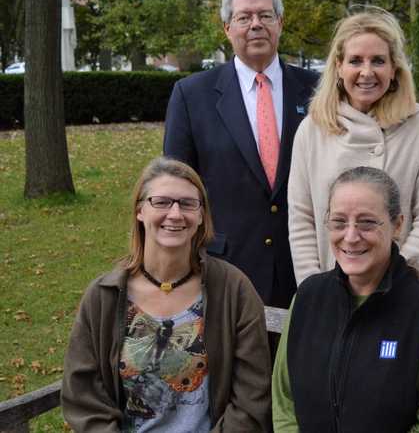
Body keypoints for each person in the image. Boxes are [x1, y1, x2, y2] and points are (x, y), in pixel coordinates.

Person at [61, 157, 271, 432]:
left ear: (200, 216)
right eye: (161, 202)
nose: (175, 214)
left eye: (187, 203)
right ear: (140, 211)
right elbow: (83, 398)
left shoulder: (234, 291)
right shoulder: (104, 297)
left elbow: (251, 398)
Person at [164, 0, 318, 310]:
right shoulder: (192, 95)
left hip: (305, 266)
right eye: (244, 17)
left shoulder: (318, 90)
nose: (256, 25)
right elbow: (176, 186)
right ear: (227, 27)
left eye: (265, 15)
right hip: (224, 268)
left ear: (281, 22)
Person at [273, 166, 419, 432]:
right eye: (339, 222)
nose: (350, 236)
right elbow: (284, 402)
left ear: (397, 224)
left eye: (367, 222)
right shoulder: (307, 299)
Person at [288, 8, 419, 285]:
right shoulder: (312, 130)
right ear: (339, 67)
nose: (366, 72)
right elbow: (301, 219)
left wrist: (396, 283)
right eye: (355, 61)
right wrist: (313, 287)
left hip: (401, 290)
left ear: (394, 68)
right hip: (329, 289)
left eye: (378, 60)